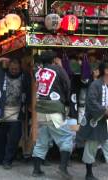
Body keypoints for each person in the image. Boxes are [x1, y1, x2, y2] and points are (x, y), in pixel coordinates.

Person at [77, 58, 108, 180]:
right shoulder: (95, 85)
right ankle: (88, 174)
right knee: (91, 148)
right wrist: (104, 110)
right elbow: (91, 102)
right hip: (96, 121)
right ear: (107, 71)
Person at [31, 50, 72, 178]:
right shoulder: (58, 69)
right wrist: (66, 101)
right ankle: (62, 169)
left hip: (41, 110)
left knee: (41, 141)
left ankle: (36, 170)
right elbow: (67, 85)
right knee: (66, 138)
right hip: (54, 109)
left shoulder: (38, 72)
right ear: (54, 59)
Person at [0, 58, 31, 169]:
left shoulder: (24, 77)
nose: (14, 70)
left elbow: (29, 91)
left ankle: (8, 161)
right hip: (2, 111)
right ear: (8, 67)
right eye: (12, 68)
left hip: (17, 112)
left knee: (14, 139)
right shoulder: (1, 74)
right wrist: (1, 60)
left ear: (20, 68)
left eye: (16, 68)